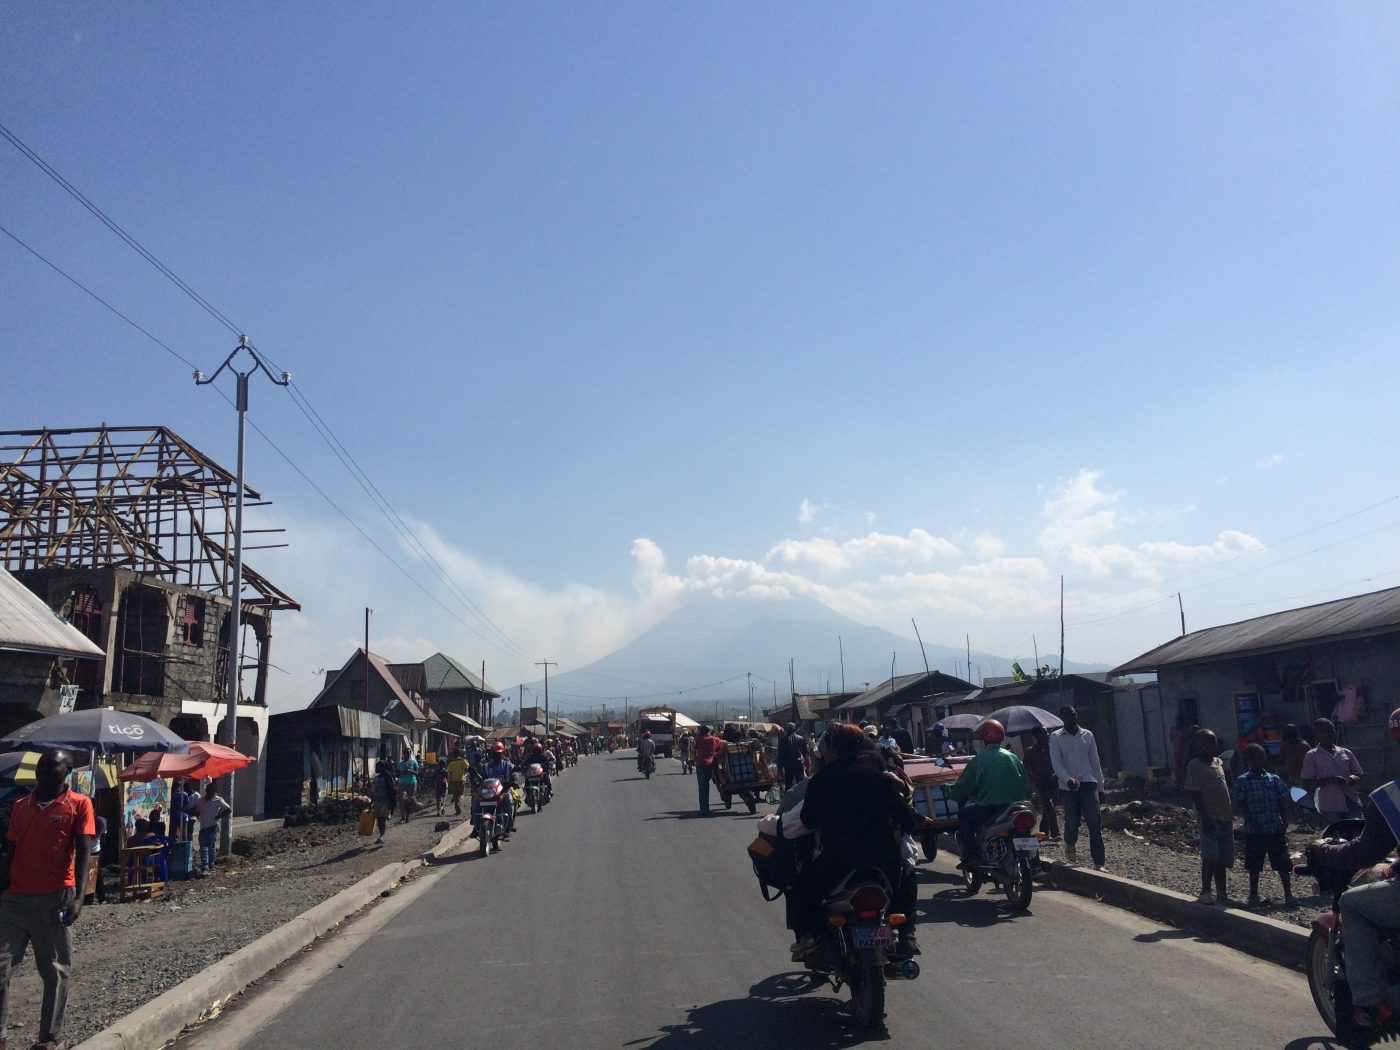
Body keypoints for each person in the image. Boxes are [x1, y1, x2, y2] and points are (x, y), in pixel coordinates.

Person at [784, 723, 918, 959]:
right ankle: (906, 934)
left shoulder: (820, 781)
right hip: (883, 861)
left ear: (832, 748)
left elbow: (808, 820)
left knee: (799, 885)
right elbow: (908, 821)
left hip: (838, 861)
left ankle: (814, 939)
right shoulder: (878, 779)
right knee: (908, 877)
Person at [1306, 709, 1400, 1030]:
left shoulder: (1391, 797)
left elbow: (1362, 852)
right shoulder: (1314, 757)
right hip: (1331, 807)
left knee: (1352, 904)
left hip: (1343, 821)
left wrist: (1322, 849)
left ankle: (1371, 1002)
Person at [0, 747, 95, 1050]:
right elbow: (11, 850)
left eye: (53, 767)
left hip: (56, 897)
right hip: (15, 898)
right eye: (42, 766)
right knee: (2, 967)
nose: (44, 772)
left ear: (67, 771)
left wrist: (79, 897)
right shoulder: (20, 806)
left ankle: (48, 1038)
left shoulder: (79, 805)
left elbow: (83, 852)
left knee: (55, 971)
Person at [946, 720, 1029, 867]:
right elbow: (1025, 784)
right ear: (1002, 736)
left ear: (983, 738)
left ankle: (971, 856)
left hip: (989, 808)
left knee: (964, 815)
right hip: (1014, 807)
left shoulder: (979, 760)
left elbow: (964, 786)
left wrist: (949, 790)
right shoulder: (1013, 758)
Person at [1233, 743, 1296, 910]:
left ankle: (1288, 895)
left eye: (1258, 757)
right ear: (1246, 760)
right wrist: (1252, 821)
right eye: (1250, 758)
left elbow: (1282, 800)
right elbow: (1240, 804)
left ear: (1264, 758)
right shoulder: (1243, 781)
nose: (1255, 761)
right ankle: (1253, 894)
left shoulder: (1274, 779)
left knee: (1282, 862)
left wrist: (1285, 819)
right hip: (1255, 831)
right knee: (1254, 864)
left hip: (1274, 827)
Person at [1050, 705, 1107, 870]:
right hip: (1069, 788)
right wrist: (1067, 779)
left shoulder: (1087, 735)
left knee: (1094, 823)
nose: (1071, 718)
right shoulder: (1056, 737)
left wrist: (1101, 788)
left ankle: (1099, 862)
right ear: (1062, 718)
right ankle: (1069, 843)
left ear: (1076, 715)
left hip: (1089, 784)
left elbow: (1095, 762)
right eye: (1067, 716)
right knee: (1073, 822)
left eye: (1073, 715)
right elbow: (1056, 763)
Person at [1184, 729, 1233, 905]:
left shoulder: (1219, 762)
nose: (1212, 745)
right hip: (1209, 818)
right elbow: (1195, 794)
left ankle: (1222, 892)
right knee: (1210, 856)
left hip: (1225, 817)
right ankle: (1205, 890)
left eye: (1214, 741)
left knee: (1222, 858)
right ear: (1199, 745)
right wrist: (1205, 819)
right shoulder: (1195, 765)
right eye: (1208, 742)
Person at [1301, 717, 1364, 822]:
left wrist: (1353, 778)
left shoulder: (1345, 752)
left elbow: (1358, 773)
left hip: (1352, 802)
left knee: (1357, 833)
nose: (1327, 734)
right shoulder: (1311, 755)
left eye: (1330, 731)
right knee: (1334, 836)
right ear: (1316, 734)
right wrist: (1331, 780)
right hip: (1330, 807)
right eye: (1323, 732)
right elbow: (1307, 781)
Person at [1023, 727, 1060, 839]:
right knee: (1049, 805)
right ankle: (1055, 833)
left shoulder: (1053, 748)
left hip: (1053, 782)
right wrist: (1031, 782)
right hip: (1040, 783)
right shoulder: (1031, 751)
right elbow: (1025, 768)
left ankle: (1044, 831)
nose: (1047, 734)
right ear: (1037, 736)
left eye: (1047, 732)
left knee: (1048, 807)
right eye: (1044, 733)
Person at [479, 743, 515, 841]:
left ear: (502, 753)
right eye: (495, 754)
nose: (497, 756)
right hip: (489, 793)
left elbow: (514, 773)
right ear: (491, 754)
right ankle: (476, 826)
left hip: (503, 792)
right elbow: (481, 777)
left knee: (509, 802)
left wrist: (514, 780)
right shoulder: (486, 766)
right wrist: (476, 780)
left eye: (499, 753)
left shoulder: (508, 765)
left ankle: (508, 828)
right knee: (475, 801)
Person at [195, 782, 231, 875]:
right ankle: (205, 866)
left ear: (214, 792)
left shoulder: (218, 800)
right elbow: (197, 812)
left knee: (211, 847)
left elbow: (228, 809)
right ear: (207, 791)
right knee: (203, 847)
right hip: (203, 827)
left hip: (212, 827)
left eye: (213, 791)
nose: (211, 793)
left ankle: (210, 865)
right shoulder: (200, 800)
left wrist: (218, 816)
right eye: (209, 791)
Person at [694, 725, 726, 816]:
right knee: (720, 781)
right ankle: (723, 794)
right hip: (711, 765)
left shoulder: (698, 739)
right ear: (708, 732)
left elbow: (695, 749)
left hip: (700, 765)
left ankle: (704, 809)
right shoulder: (713, 739)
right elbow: (724, 743)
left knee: (702, 788)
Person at [369, 760, 396, 843]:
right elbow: (372, 792)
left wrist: (391, 803)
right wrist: (371, 802)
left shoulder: (387, 778)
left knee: (382, 819)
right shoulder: (376, 779)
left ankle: (382, 836)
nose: (376, 769)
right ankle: (381, 835)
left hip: (385, 802)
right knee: (380, 819)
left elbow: (392, 791)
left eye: (377, 767)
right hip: (378, 803)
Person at [777, 723, 809, 791]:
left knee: (788, 784)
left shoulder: (784, 740)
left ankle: (788, 799)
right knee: (800, 783)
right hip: (799, 763)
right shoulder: (801, 738)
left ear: (787, 730)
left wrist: (779, 768)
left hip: (788, 765)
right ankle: (801, 798)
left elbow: (780, 755)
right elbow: (805, 752)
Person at [396, 750, 420, 824]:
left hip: (412, 783)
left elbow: (417, 773)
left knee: (409, 800)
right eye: (406, 753)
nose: (407, 755)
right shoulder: (400, 764)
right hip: (402, 783)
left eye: (408, 754)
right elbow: (397, 774)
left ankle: (407, 817)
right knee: (402, 800)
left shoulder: (414, 762)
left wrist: (410, 771)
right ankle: (402, 817)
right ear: (403, 754)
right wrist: (402, 773)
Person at [446, 750, 470, 816]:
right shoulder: (463, 761)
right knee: (461, 794)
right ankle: (460, 805)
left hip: (454, 780)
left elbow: (449, 772)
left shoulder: (451, 763)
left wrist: (449, 781)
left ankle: (457, 809)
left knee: (456, 794)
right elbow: (467, 769)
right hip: (461, 780)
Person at [1170, 714, 1190, 786]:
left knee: (1184, 766)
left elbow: (1187, 739)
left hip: (1184, 750)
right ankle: (1177, 783)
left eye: (1179, 720)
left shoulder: (1185, 729)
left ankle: (1184, 782)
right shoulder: (1173, 729)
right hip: (1177, 750)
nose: (1178, 721)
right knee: (1177, 767)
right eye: (1177, 720)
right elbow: (1171, 738)